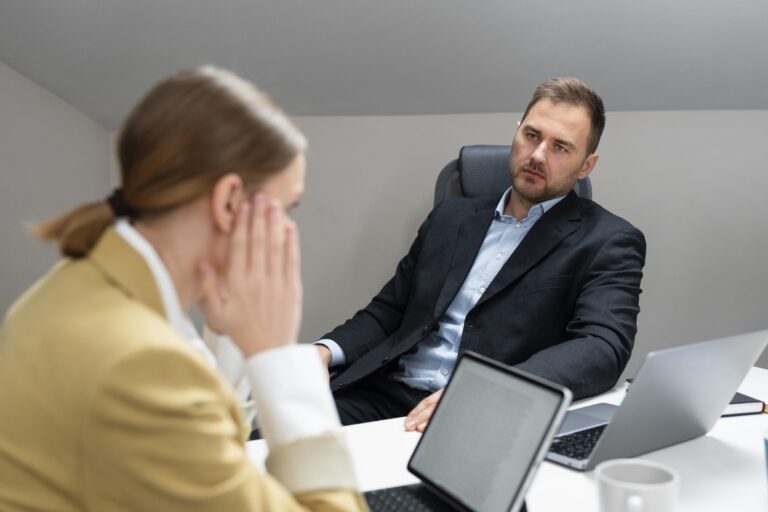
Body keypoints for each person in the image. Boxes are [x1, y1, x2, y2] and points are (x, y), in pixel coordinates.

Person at [0, 66, 365, 511]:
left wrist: (236, 334)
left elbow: (203, 450)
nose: (290, 231)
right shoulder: (142, 364)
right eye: (287, 209)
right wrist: (278, 356)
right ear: (230, 202)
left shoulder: (79, 281)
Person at [315, 77, 646, 430]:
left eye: (560, 147)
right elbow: (389, 311)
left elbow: (601, 347)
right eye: (532, 135)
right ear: (517, 132)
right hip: (385, 394)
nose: (536, 156)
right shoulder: (450, 217)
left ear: (586, 166)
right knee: (268, 447)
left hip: (484, 413)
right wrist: (324, 351)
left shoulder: (609, 240)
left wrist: (484, 391)